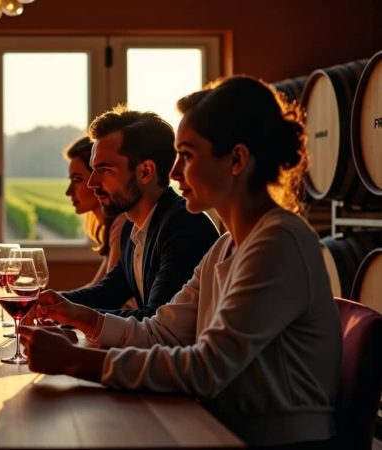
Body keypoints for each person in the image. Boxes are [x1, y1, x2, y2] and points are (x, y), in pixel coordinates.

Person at [20, 75, 341, 448]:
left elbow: (205, 369)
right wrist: (81, 318)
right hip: (225, 428)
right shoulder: (226, 246)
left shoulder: (278, 242)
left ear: (236, 159)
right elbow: (161, 332)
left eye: (186, 156)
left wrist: (76, 362)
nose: (173, 173)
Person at [55, 106, 219, 319]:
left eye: (104, 169)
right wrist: (47, 302)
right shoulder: (132, 227)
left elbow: (157, 322)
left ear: (145, 172)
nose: (92, 182)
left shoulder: (184, 227)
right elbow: (106, 294)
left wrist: (73, 315)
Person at [64, 136, 128, 290]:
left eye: (77, 179)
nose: (68, 192)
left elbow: (109, 295)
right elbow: (95, 289)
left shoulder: (122, 224)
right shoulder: (115, 225)